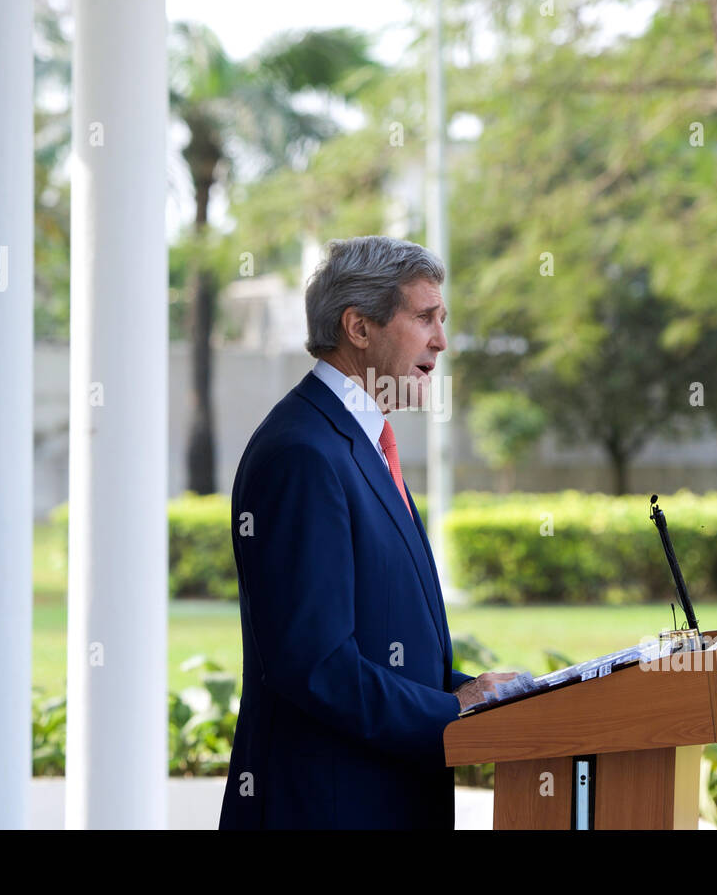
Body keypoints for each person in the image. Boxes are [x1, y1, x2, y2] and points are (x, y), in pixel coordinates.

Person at [218, 235, 516, 829]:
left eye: (443, 319)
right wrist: (447, 711)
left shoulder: (359, 443)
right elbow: (317, 664)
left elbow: (379, 647)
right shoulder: (302, 451)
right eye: (425, 318)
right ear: (359, 327)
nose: (441, 340)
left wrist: (473, 693)